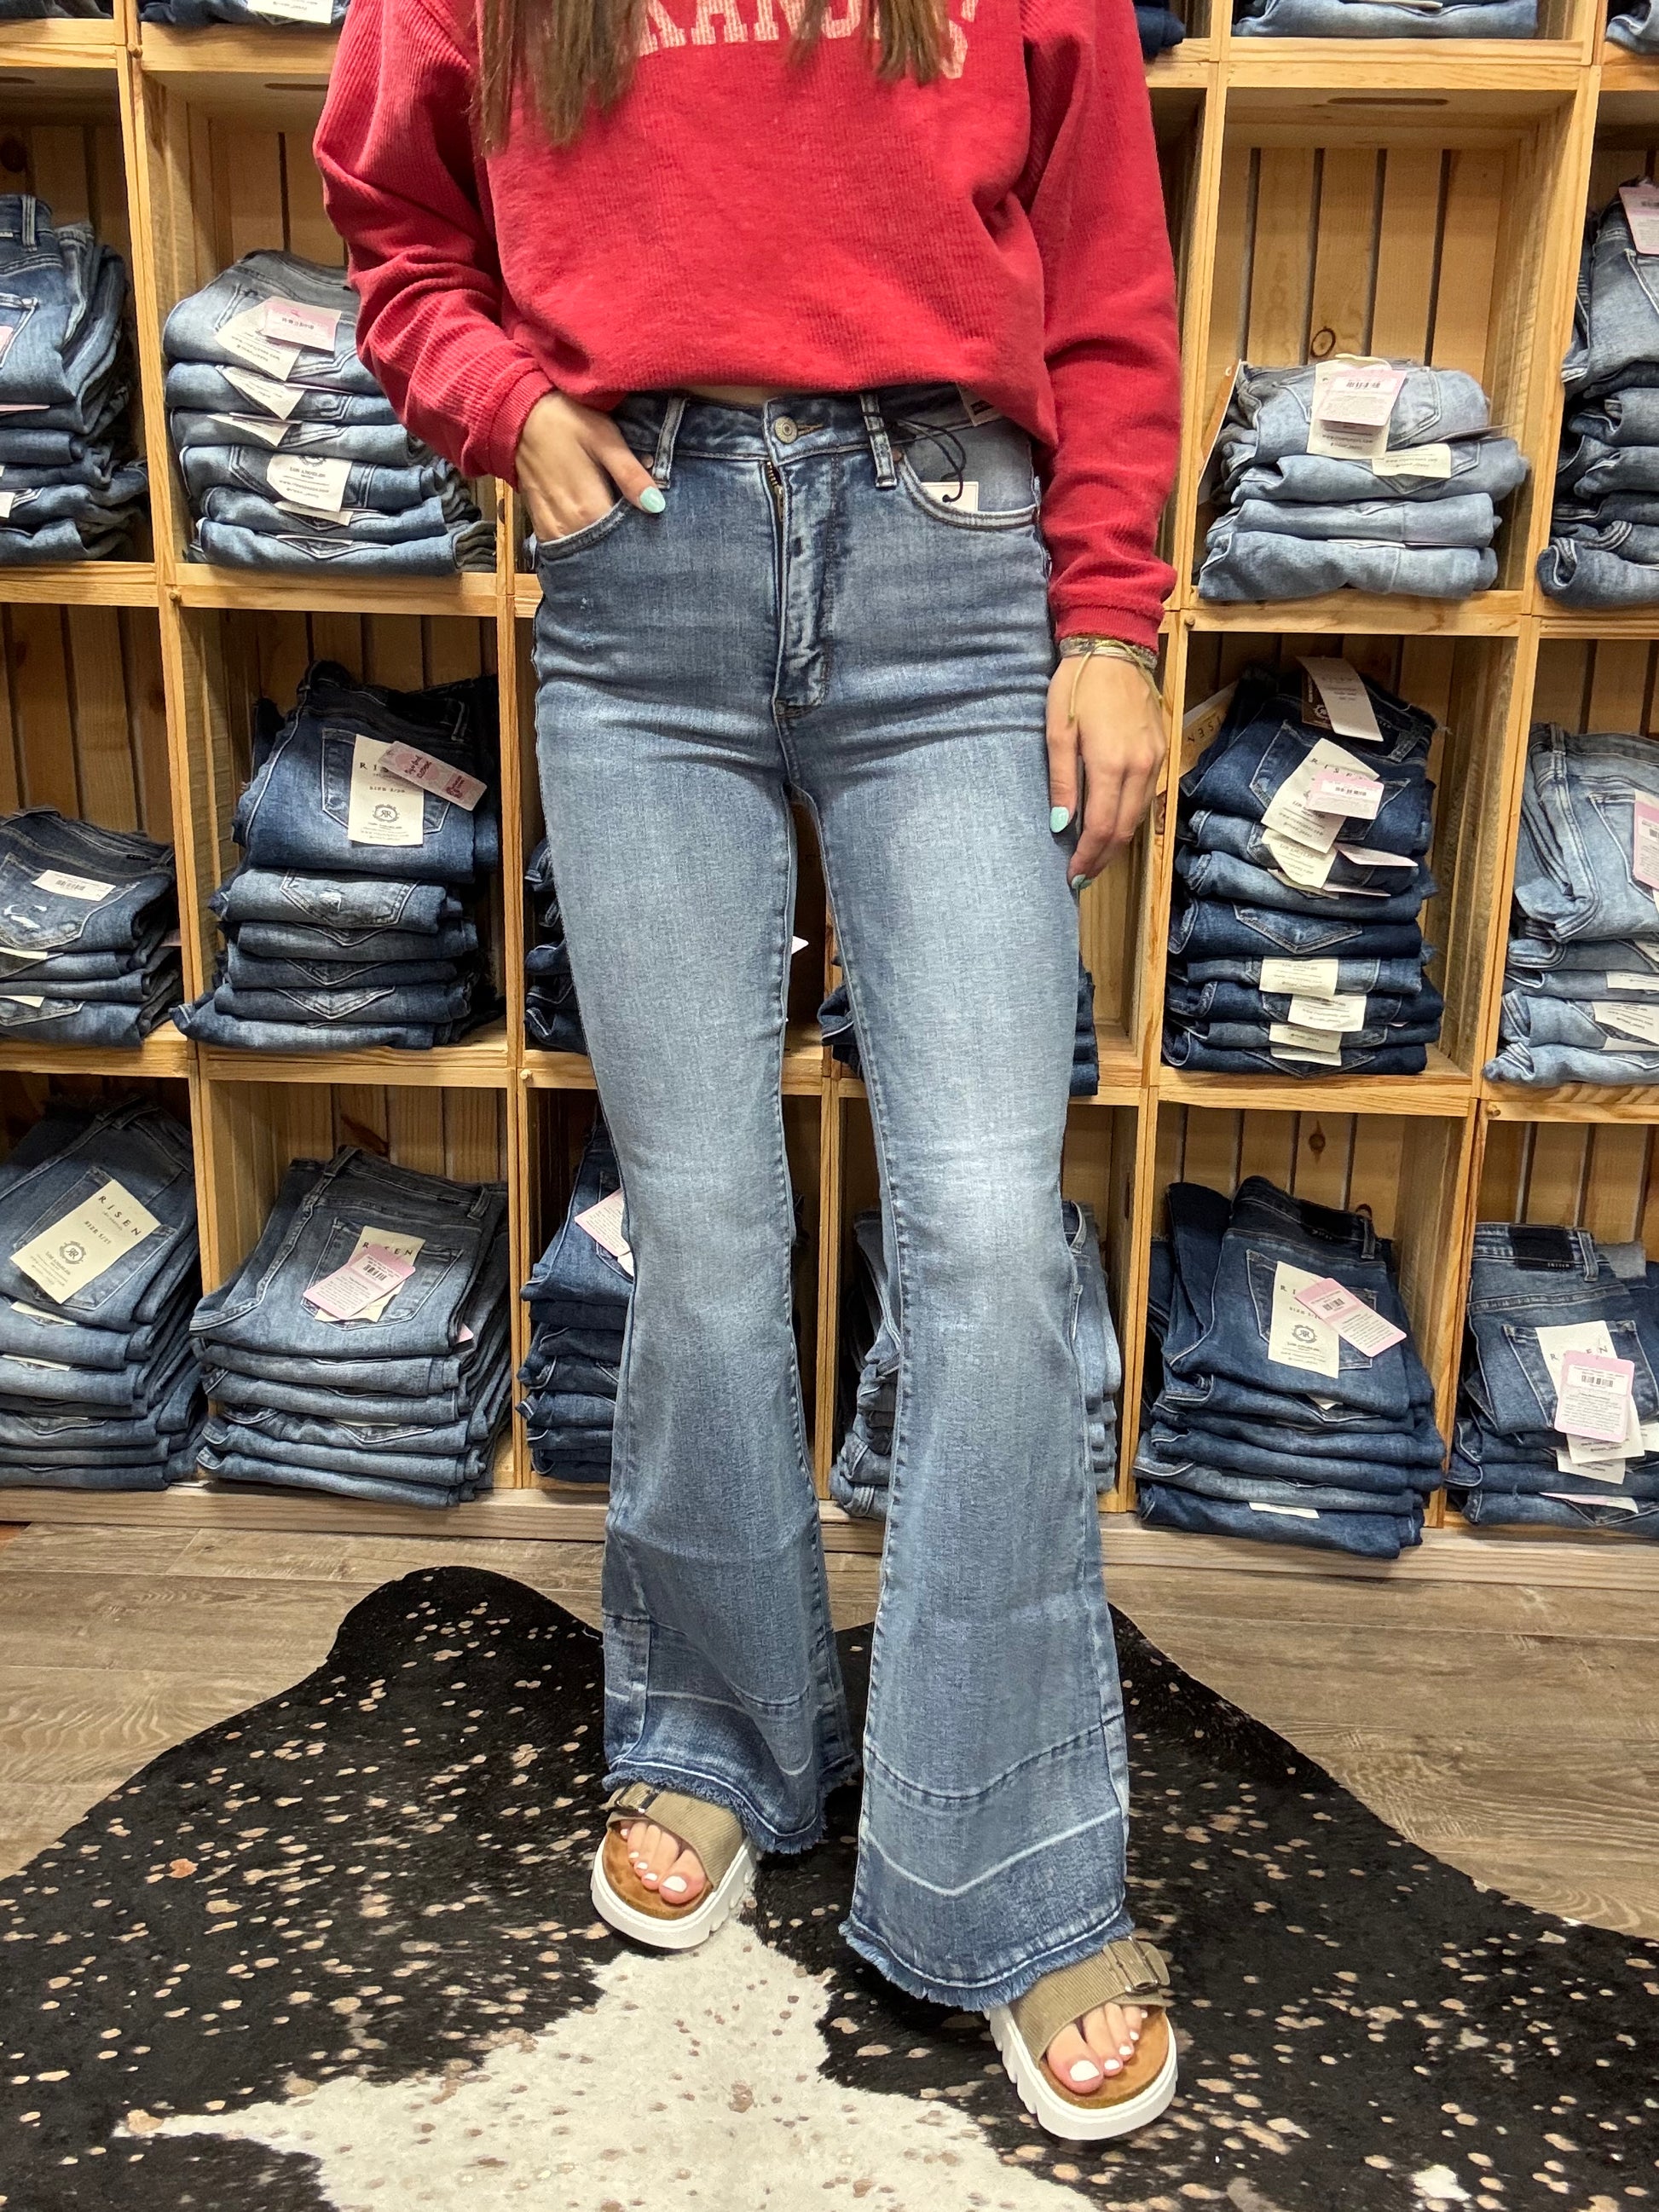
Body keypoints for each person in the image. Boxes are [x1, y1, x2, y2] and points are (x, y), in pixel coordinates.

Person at [316, 0, 1181, 2143]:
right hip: (643, 572)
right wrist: (500, 402)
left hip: (951, 575)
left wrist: (1109, 618)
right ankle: (718, 1726)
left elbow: (1103, 267)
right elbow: (396, 233)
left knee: (986, 1235)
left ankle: (1003, 1855)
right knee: (697, 1225)